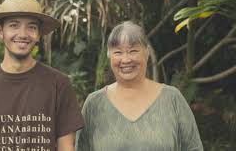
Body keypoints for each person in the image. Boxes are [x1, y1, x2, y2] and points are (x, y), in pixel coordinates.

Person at [0, 0, 84, 151]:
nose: (23, 34)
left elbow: (66, 146)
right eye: (14, 25)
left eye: (31, 27)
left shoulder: (59, 84)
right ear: (0, 32)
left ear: (38, 35)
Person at [76, 21, 203, 151]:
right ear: (109, 56)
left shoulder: (172, 99)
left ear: (147, 53)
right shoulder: (94, 104)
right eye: (118, 52)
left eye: (133, 51)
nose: (126, 60)